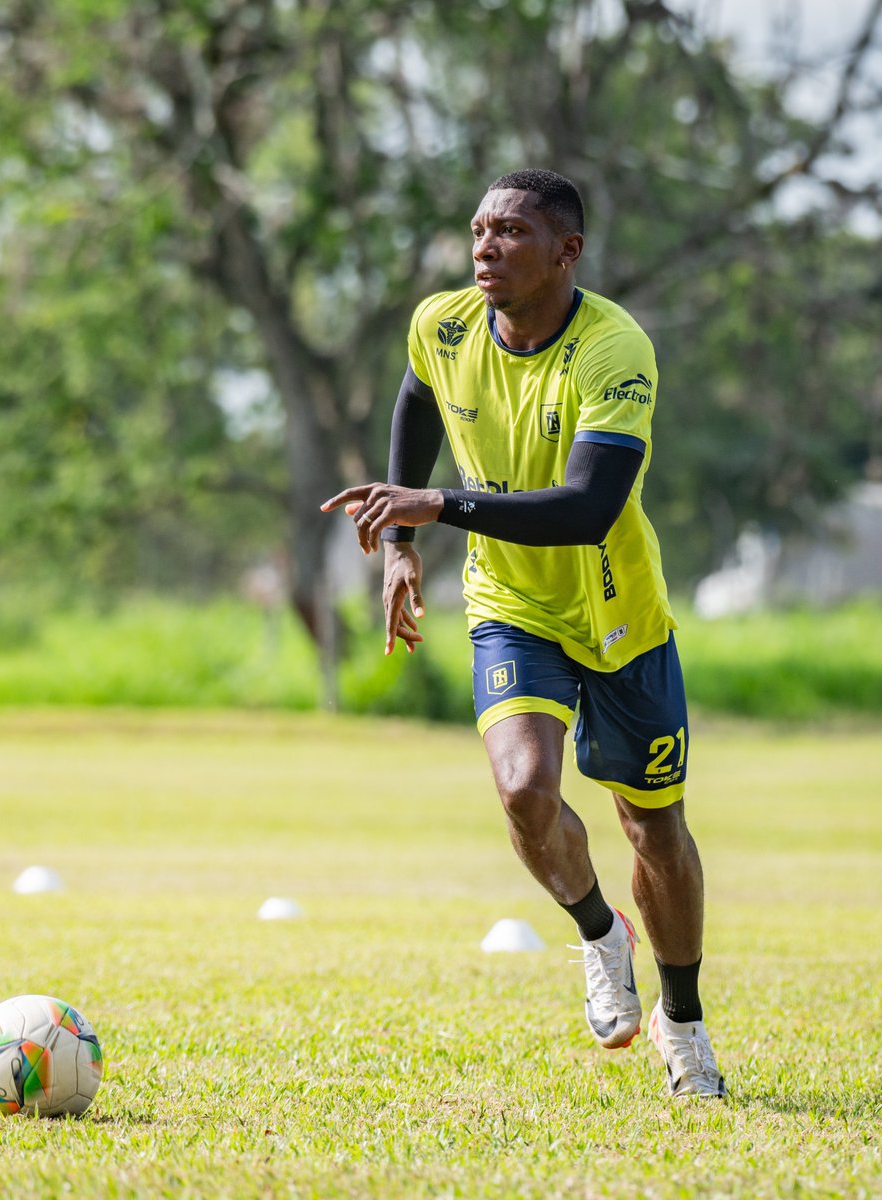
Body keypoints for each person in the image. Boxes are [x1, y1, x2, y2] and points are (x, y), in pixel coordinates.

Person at [321, 168, 725, 1098]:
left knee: (653, 828)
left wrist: (435, 503)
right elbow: (419, 401)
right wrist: (402, 545)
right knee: (523, 790)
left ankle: (685, 1021)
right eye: (477, 230)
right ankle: (599, 934)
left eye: (508, 232)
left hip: (618, 609)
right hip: (512, 604)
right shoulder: (444, 322)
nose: (484, 248)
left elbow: (588, 508)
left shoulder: (614, 349)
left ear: (565, 251)